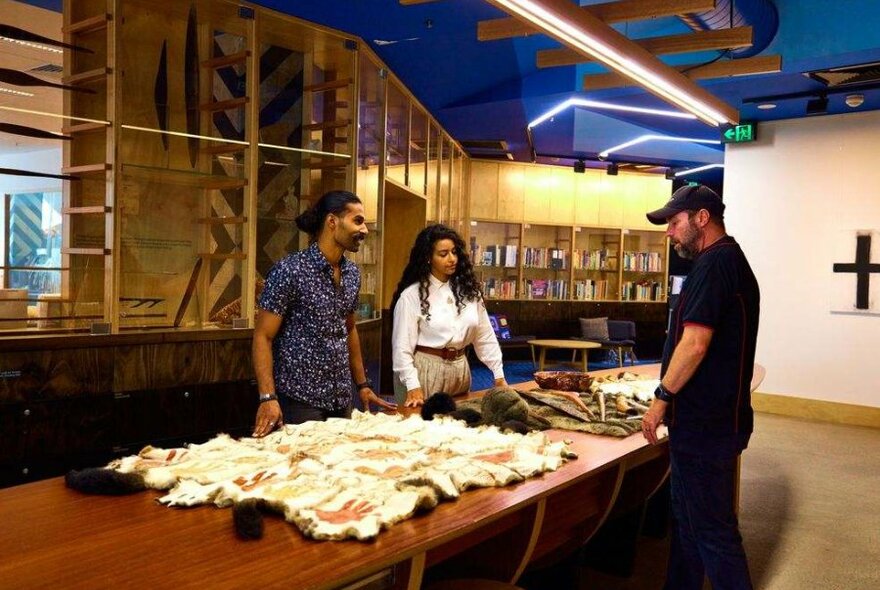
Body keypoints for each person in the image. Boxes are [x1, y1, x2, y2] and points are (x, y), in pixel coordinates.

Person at [641, 184, 760, 590]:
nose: (669, 233)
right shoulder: (728, 261)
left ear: (701, 218)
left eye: (675, 223)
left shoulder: (715, 265)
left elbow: (695, 343)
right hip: (709, 423)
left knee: (712, 532)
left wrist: (661, 399)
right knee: (690, 528)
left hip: (706, 426)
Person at [251, 190, 396, 437]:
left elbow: (349, 329)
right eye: (358, 221)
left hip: (341, 398)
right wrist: (267, 397)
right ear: (332, 222)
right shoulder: (290, 270)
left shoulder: (352, 274)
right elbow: (262, 337)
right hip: (300, 400)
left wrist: (363, 385)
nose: (365, 231)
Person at [391, 224, 507, 408]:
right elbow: (401, 348)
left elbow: (485, 336)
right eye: (443, 254)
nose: (452, 259)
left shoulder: (470, 291)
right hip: (426, 370)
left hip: (461, 368)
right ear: (428, 258)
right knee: (425, 430)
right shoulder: (411, 296)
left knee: (460, 427)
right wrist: (413, 385)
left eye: (454, 252)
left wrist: (498, 375)